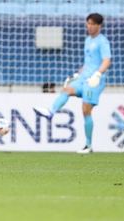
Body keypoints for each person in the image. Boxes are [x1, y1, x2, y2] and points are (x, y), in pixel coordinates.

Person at [34, 13, 111, 154]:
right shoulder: (87, 40)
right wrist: (76, 74)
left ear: (99, 25)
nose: (89, 26)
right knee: (66, 90)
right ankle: (51, 111)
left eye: (92, 24)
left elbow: (107, 60)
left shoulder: (103, 42)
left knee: (85, 110)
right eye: (88, 23)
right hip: (83, 78)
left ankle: (88, 145)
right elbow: (88, 63)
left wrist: (98, 74)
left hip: (94, 81)